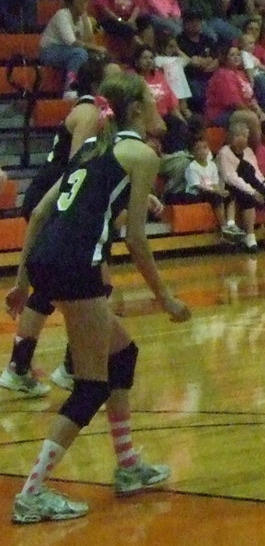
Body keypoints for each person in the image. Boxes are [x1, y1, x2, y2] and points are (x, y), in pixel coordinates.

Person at [8, 72, 190, 524]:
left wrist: (22, 280)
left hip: (49, 258)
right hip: (75, 265)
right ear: (134, 111)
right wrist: (165, 298)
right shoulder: (140, 154)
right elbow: (136, 240)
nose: (159, 105)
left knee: (122, 354)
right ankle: (32, 493)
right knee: (91, 385)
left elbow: (40, 214)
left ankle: (128, 466)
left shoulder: (91, 148)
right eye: (151, 99)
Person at [3, 55, 118, 398]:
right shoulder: (89, 113)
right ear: (98, 84)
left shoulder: (100, 115)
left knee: (76, 284)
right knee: (78, 282)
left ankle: (43, 367)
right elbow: (77, 168)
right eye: (113, 77)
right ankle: (47, 368)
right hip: (59, 200)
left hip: (64, 201)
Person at [216, 121, 265, 253]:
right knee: (248, 199)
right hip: (231, 188)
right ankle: (250, 238)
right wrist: (253, 192)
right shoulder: (224, 153)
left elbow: (257, 174)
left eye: (244, 136)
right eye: (238, 135)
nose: (242, 139)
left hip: (251, 184)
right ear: (230, 137)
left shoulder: (248, 152)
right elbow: (230, 178)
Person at [39, 0, 106, 91]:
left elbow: (90, 43)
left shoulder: (84, 18)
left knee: (98, 57)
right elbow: (71, 42)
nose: (85, 5)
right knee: (79, 53)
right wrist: (96, 48)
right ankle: (70, 89)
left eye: (86, 1)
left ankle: (95, 91)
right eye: (82, 1)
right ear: (73, 2)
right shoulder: (62, 14)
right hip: (50, 51)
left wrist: (86, 21)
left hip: (69, 51)